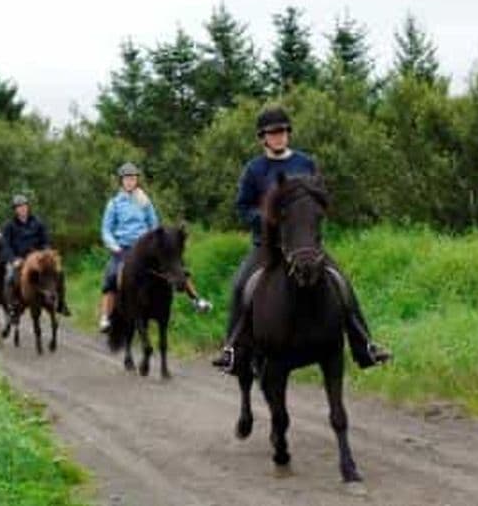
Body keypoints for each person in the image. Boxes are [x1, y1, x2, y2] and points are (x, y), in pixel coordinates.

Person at [212, 107, 391, 372]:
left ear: (288, 134)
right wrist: (267, 219)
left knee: (342, 283)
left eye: (282, 132)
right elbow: (243, 206)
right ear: (263, 138)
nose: (279, 137)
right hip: (268, 246)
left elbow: (320, 197)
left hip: (304, 245)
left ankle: (364, 345)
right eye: (273, 133)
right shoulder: (254, 169)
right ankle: (232, 350)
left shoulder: (305, 164)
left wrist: (309, 215)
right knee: (241, 285)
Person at [99, 162, 211, 333]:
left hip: (145, 247)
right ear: (121, 181)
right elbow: (106, 230)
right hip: (124, 247)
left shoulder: (144, 201)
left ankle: (196, 300)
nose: (130, 181)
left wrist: (159, 243)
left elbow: (154, 224)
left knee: (175, 264)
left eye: (133, 178)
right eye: (127, 178)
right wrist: (114, 246)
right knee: (112, 275)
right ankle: (106, 317)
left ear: (137, 180)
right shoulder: (114, 204)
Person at [2, 194, 70, 315]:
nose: (22, 209)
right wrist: (13, 259)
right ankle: (13, 305)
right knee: (9, 276)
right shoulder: (9, 225)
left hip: (38, 258)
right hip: (20, 258)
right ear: (15, 210)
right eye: (19, 207)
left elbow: (46, 240)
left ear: (28, 207)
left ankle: (61, 303)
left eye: (24, 206)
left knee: (59, 272)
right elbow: (6, 245)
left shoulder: (38, 222)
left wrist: (46, 253)